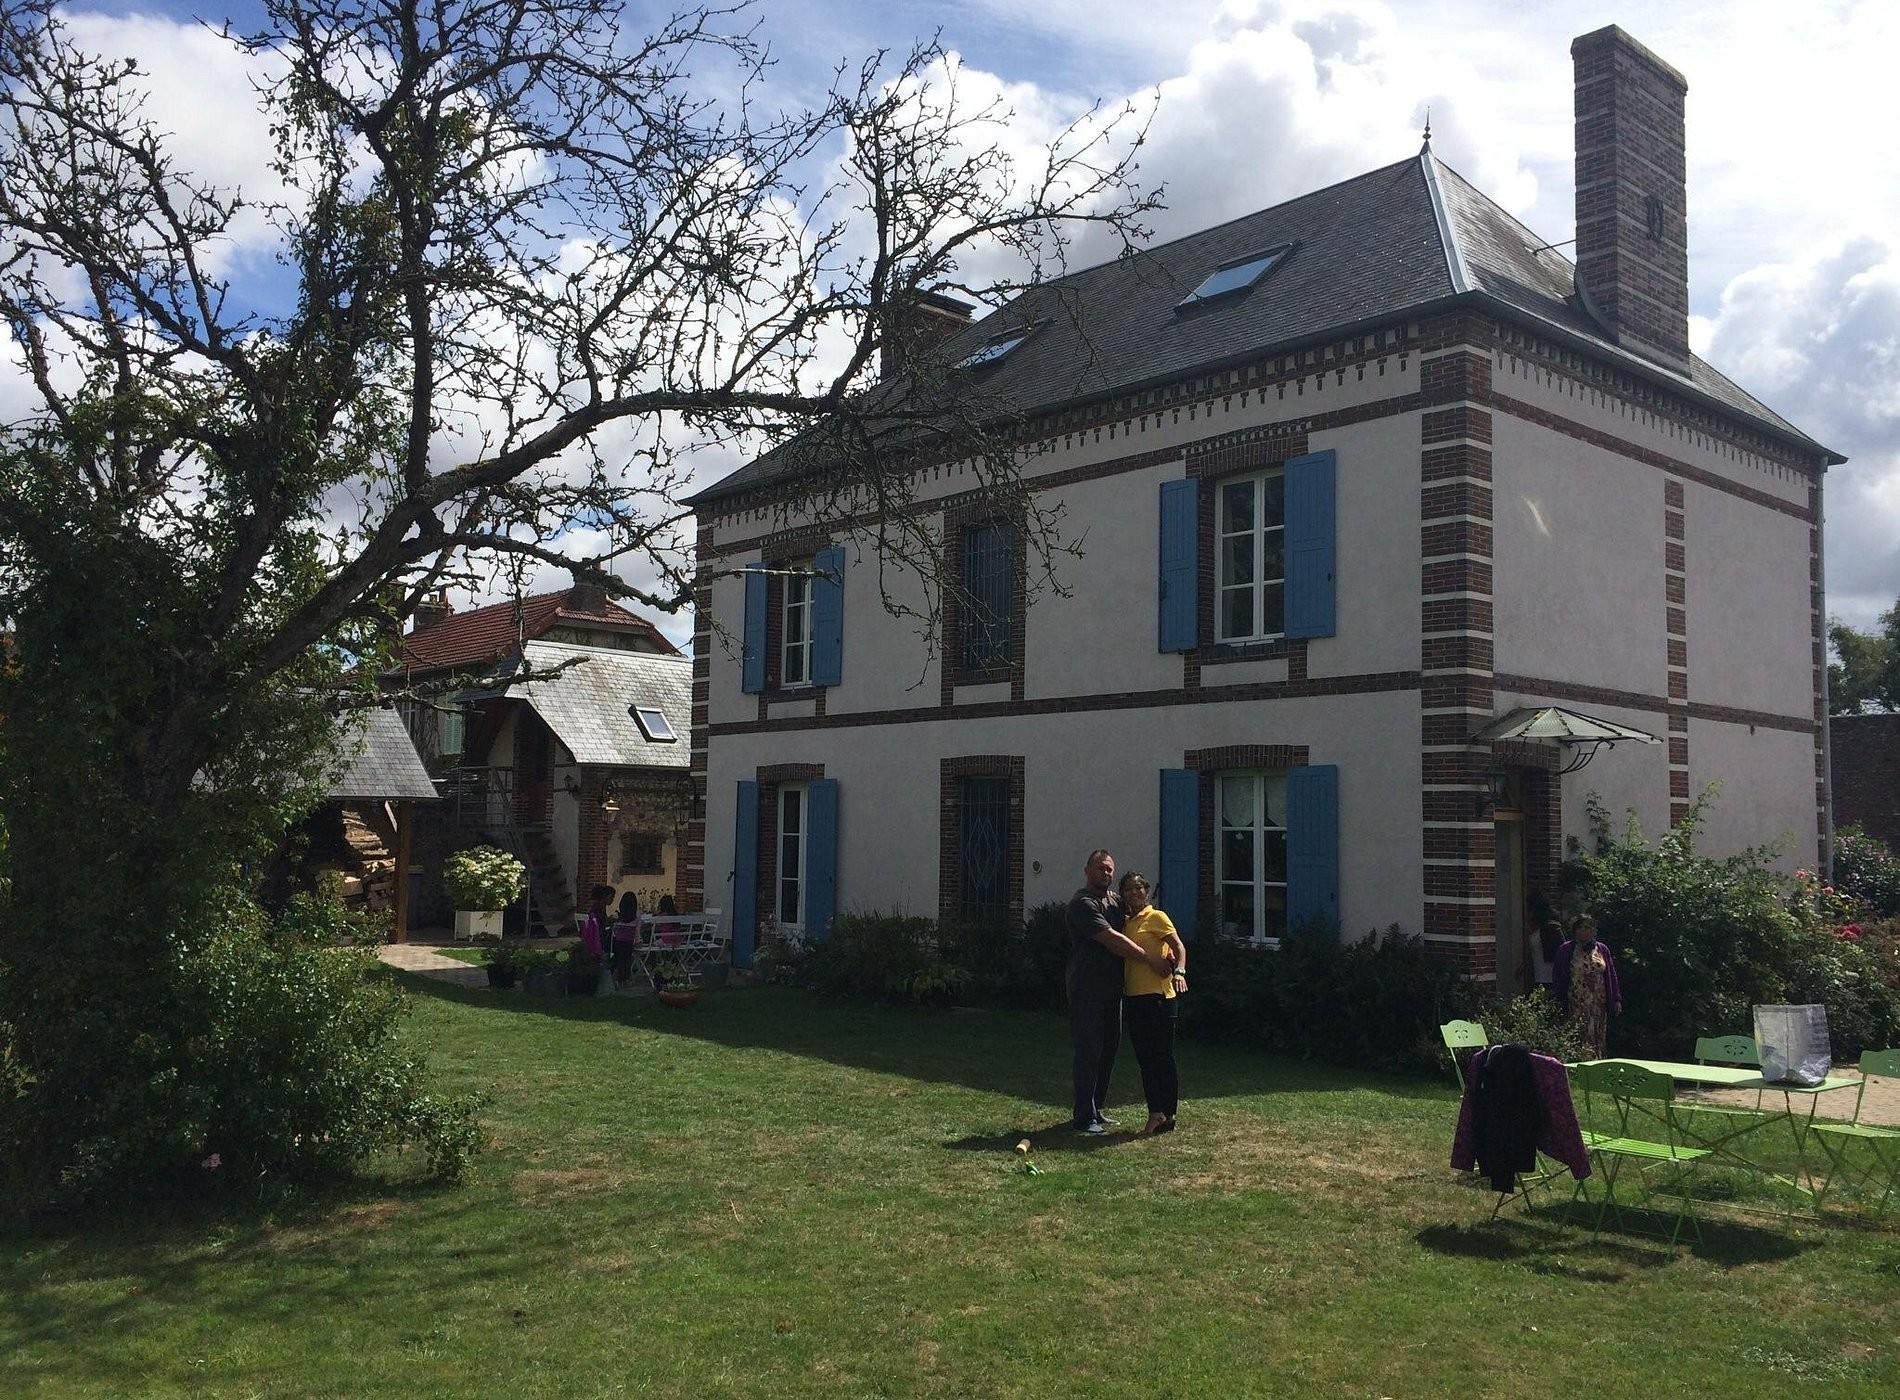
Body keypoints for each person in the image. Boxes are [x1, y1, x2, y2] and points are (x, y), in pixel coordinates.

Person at [1066, 849, 1172, 1136]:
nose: (1106, 873)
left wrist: (1167, 949)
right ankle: (1083, 1117)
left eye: (1110, 869)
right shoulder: (1083, 903)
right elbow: (1112, 940)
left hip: (1113, 989)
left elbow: (1139, 917)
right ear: (1087, 870)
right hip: (1087, 989)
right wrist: (1150, 959)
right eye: (1100, 868)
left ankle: (1096, 1109)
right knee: (1089, 1051)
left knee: (1108, 1051)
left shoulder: (1114, 901)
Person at [1119, 871, 1187, 1135]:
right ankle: (1156, 1112)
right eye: (1128, 889)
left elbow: (1178, 947)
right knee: (1145, 1058)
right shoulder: (1126, 923)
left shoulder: (1156, 917)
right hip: (1134, 997)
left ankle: (1168, 1113)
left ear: (1146, 891)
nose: (1134, 893)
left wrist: (1179, 972)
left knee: (1163, 1057)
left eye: (1138, 887)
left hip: (1159, 997)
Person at [1554, 914, 1622, 1059]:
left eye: (1587, 927)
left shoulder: (1602, 949)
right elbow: (1558, 975)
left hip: (1598, 1003)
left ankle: (1598, 1063)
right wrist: (1558, 999)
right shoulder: (1566, 950)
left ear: (1593, 930)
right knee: (1579, 1034)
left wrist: (1616, 999)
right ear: (1575, 930)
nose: (1584, 931)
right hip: (1576, 1001)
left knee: (1597, 1035)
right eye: (1580, 927)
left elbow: (1611, 974)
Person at [1527, 891, 1564, 994]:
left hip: (1549, 978)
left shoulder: (1551, 928)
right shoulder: (1538, 928)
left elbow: (1561, 952)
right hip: (1539, 976)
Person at [611, 889, 642, 988]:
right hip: (629, 941)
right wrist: (637, 941)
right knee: (627, 960)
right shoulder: (637, 915)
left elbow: (615, 929)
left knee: (620, 959)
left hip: (619, 940)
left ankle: (620, 978)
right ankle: (627, 978)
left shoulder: (619, 915)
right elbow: (637, 930)